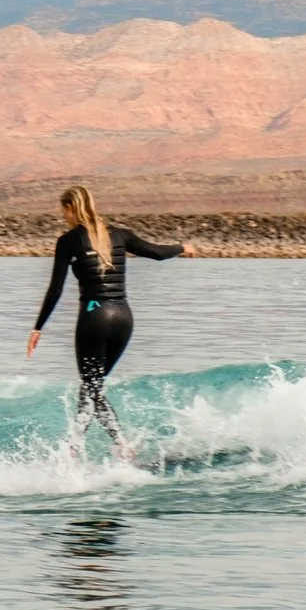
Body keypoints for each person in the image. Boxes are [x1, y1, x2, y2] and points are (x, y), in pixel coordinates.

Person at [26, 185, 197, 459]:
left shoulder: (69, 240)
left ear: (71, 209)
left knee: (91, 384)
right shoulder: (120, 234)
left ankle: (104, 444)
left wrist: (38, 327)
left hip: (95, 316)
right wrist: (183, 247)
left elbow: (55, 289)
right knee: (93, 385)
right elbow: (157, 252)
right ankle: (89, 444)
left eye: (64, 212)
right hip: (123, 318)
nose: (64, 218)